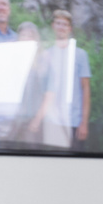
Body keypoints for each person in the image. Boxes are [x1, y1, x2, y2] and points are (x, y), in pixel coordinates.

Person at [34, 9, 93, 148]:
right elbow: (41, 91)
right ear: (53, 26)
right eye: (58, 23)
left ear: (70, 28)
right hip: (51, 122)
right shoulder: (46, 55)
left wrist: (84, 122)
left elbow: (86, 89)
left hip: (73, 121)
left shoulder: (80, 55)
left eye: (65, 24)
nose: (61, 27)